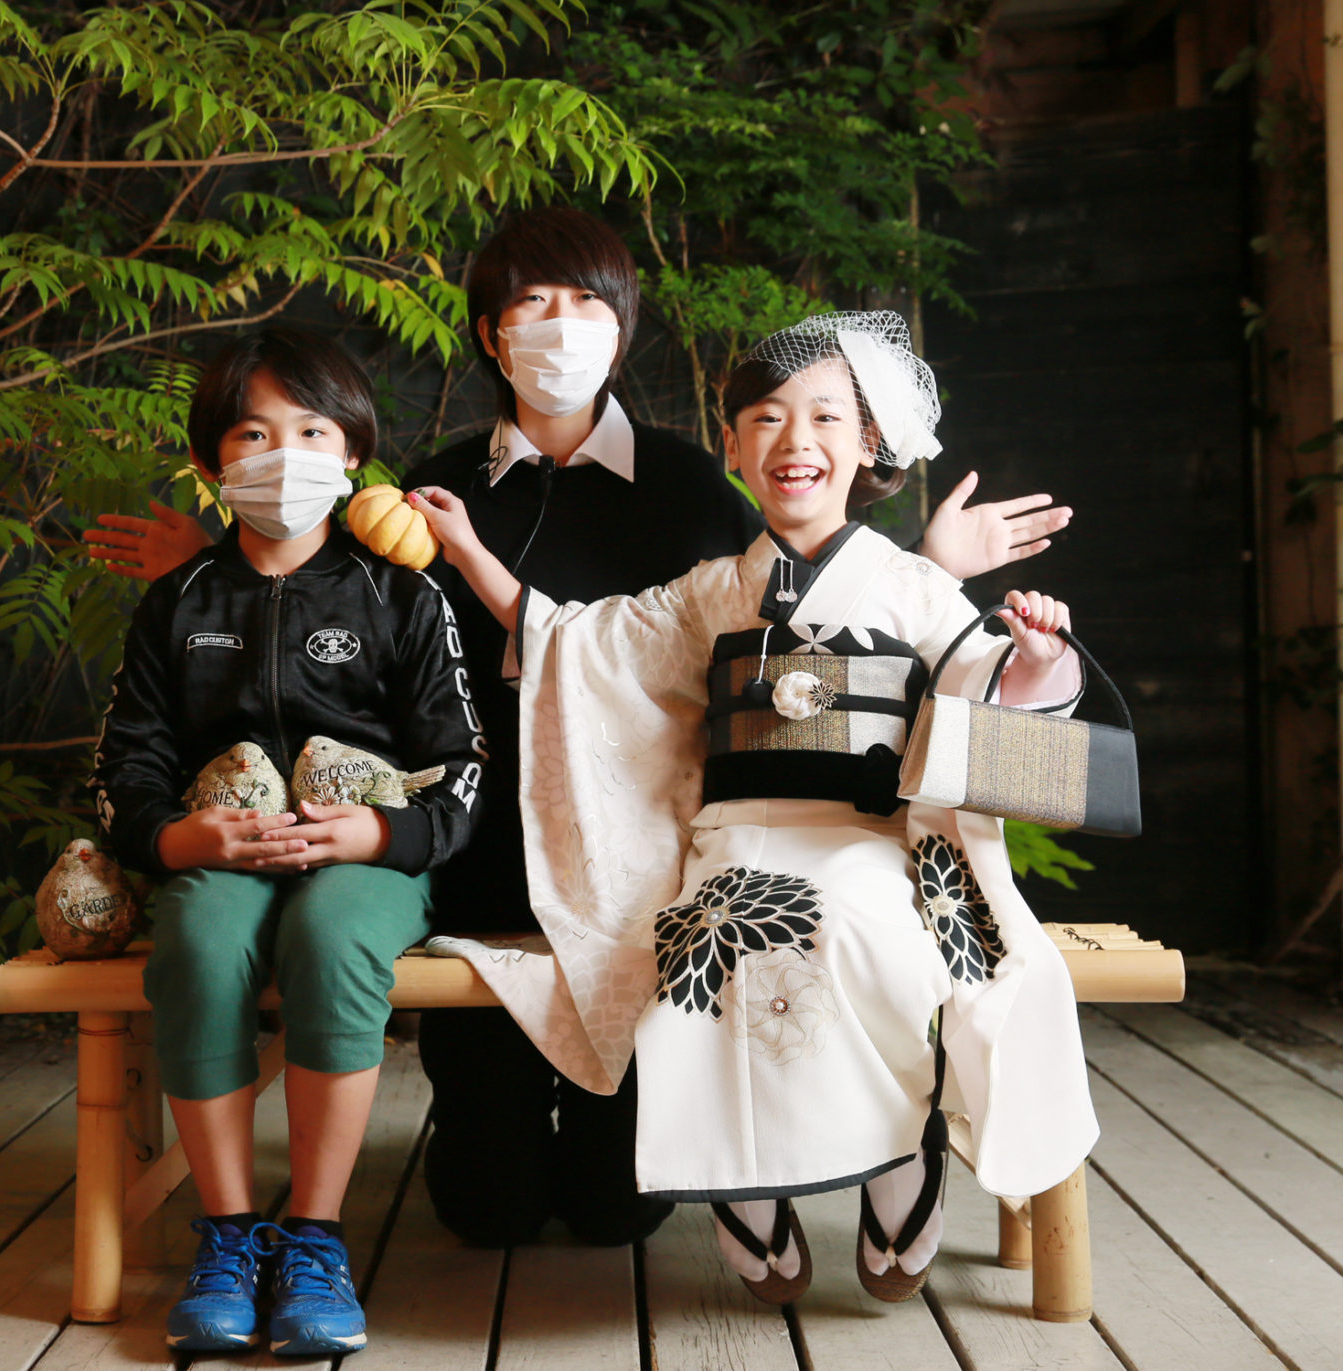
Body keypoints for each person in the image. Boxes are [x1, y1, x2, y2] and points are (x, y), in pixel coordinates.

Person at [83, 207, 1072, 1250]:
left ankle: (867, 1147)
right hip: (479, 860)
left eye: (586, 302)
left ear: (622, 325)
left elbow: (798, 619)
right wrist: (214, 577)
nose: (559, 324)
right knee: (488, 1207)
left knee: (617, 1209)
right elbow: (337, 614)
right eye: (531, 302)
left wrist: (933, 573)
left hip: (653, 866)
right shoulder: (436, 491)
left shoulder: (693, 485)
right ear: (490, 333)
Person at [410, 309, 1098, 1303]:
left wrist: (1035, 657)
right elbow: (576, 643)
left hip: (870, 840)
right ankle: (745, 1176)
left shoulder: (913, 585)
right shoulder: (709, 593)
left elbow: (983, 689)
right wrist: (471, 548)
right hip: (734, 840)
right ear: (732, 449)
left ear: (868, 444)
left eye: (825, 417)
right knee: (699, 936)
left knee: (863, 928)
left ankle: (899, 1150)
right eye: (766, 419)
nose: (794, 440)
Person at [91, 327, 486, 1355]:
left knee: (332, 938)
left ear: (354, 454)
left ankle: (314, 1237)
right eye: (254, 433)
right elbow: (125, 766)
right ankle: (226, 1234)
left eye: (312, 431)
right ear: (211, 461)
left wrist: (384, 830)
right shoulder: (178, 600)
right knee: (199, 942)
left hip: (363, 862)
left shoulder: (404, 595)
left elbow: (460, 764)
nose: (285, 454)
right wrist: (176, 840)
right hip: (222, 855)